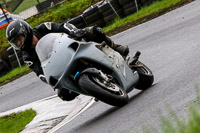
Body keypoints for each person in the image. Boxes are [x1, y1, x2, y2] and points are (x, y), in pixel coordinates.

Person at [6, 19, 129, 101]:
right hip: (61, 67)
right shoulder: (27, 57)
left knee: (93, 31)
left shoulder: (43, 28)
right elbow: (39, 72)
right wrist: (47, 78)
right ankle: (94, 89)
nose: (19, 43)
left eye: (19, 39)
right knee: (63, 94)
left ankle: (116, 48)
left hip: (71, 46)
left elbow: (63, 26)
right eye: (16, 42)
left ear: (25, 31)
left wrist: (74, 32)